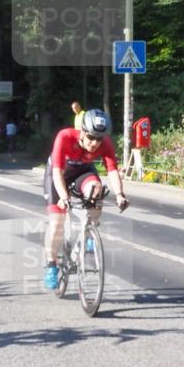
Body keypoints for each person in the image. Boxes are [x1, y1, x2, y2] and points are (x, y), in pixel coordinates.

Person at [42, 108, 129, 290]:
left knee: (97, 189)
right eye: (91, 137)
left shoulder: (104, 143)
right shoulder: (65, 137)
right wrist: (64, 197)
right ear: (82, 131)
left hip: (83, 171)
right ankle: (51, 265)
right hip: (59, 174)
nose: (94, 143)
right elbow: (57, 172)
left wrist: (120, 194)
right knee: (57, 221)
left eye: (99, 139)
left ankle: (90, 231)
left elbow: (112, 170)